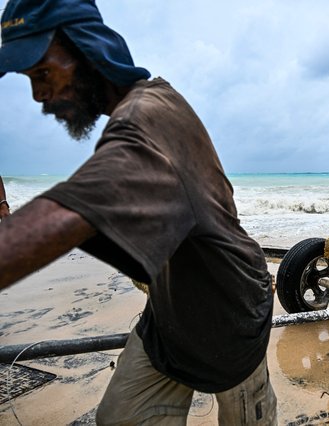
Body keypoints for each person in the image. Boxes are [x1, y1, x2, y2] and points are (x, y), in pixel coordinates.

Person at [0, 0, 277, 424]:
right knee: (119, 416)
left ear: (89, 49)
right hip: (170, 311)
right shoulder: (151, 102)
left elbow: (79, 203)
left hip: (230, 307)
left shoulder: (145, 121)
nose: (39, 96)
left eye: (42, 73)